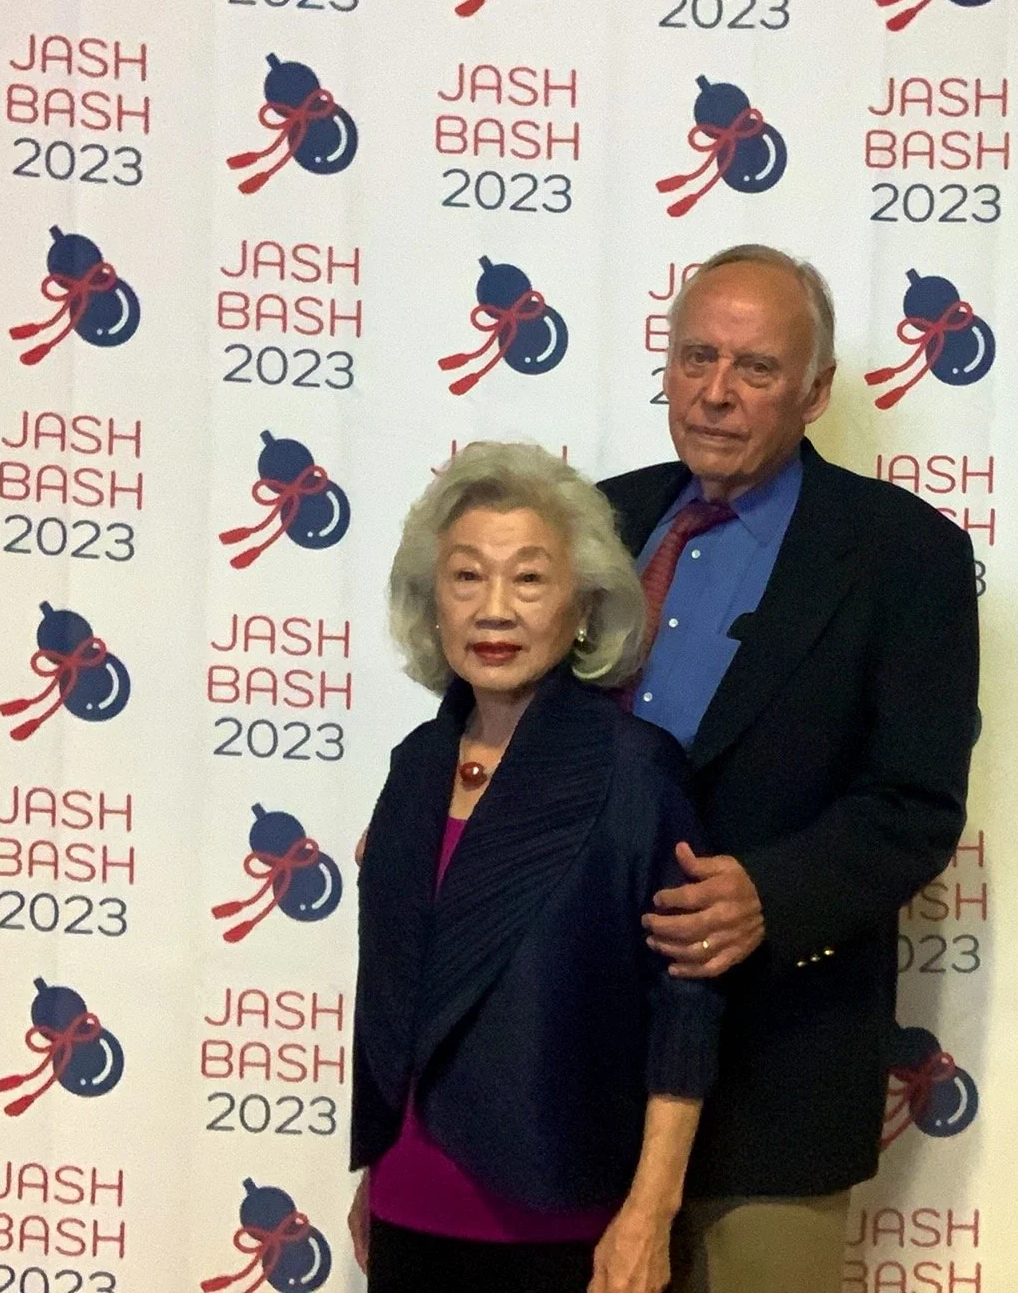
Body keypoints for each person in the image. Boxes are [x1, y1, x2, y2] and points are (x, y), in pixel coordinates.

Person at [598, 246, 980, 1293]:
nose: (716, 392)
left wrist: (771, 895)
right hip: (571, 1064)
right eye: (697, 357)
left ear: (815, 393)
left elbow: (914, 803)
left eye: (756, 367)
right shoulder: (594, 523)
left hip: (776, 1069)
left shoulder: (907, 557)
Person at [348, 441, 723, 1293]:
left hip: (560, 1226)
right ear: (432, 602)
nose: (495, 609)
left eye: (528, 579)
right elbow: (403, 995)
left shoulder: (637, 770)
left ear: (583, 604)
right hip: (405, 1213)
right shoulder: (415, 767)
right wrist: (376, 1169)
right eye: (466, 577)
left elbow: (687, 1005)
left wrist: (650, 1210)